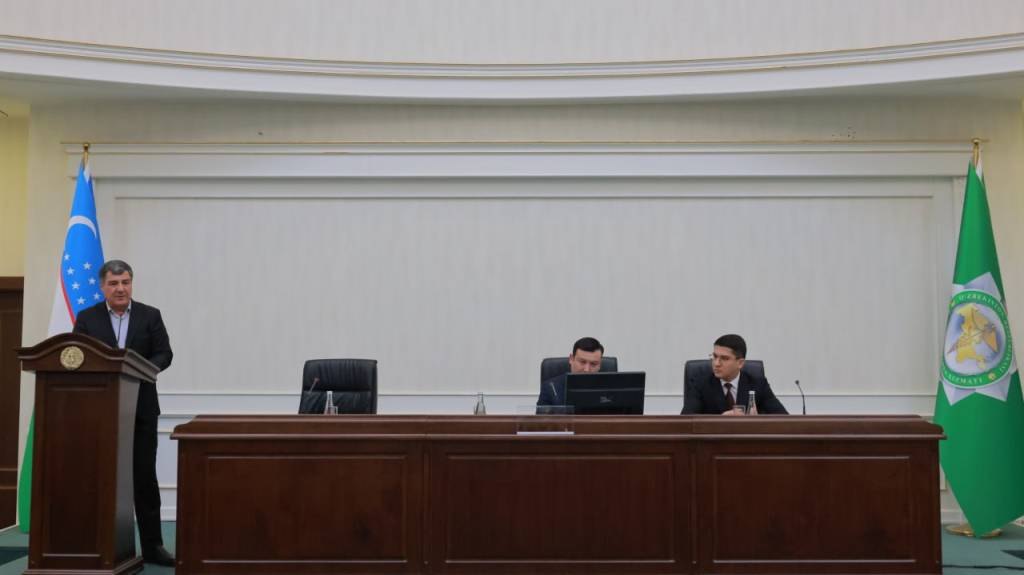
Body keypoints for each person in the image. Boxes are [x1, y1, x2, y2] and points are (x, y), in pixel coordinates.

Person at [73, 260, 175, 566]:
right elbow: (77, 355)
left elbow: (164, 353)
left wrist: (140, 370)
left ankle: (153, 547)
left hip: (141, 408)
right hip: (99, 411)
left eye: (126, 282)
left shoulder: (149, 315)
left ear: (131, 283)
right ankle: (99, 546)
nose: (121, 288)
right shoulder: (87, 318)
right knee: (100, 478)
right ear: (102, 286)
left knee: (144, 478)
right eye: (114, 283)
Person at [681, 334, 787, 415]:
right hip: (713, 438)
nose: (716, 363)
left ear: (740, 363)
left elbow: (783, 418)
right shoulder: (699, 383)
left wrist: (756, 420)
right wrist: (721, 420)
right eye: (714, 356)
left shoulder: (758, 384)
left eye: (724, 358)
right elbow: (686, 421)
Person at [537, 337, 605, 406]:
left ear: (599, 365)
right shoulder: (550, 388)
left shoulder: (608, 388)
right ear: (571, 359)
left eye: (593, 364)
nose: (587, 370)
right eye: (582, 362)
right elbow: (542, 413)